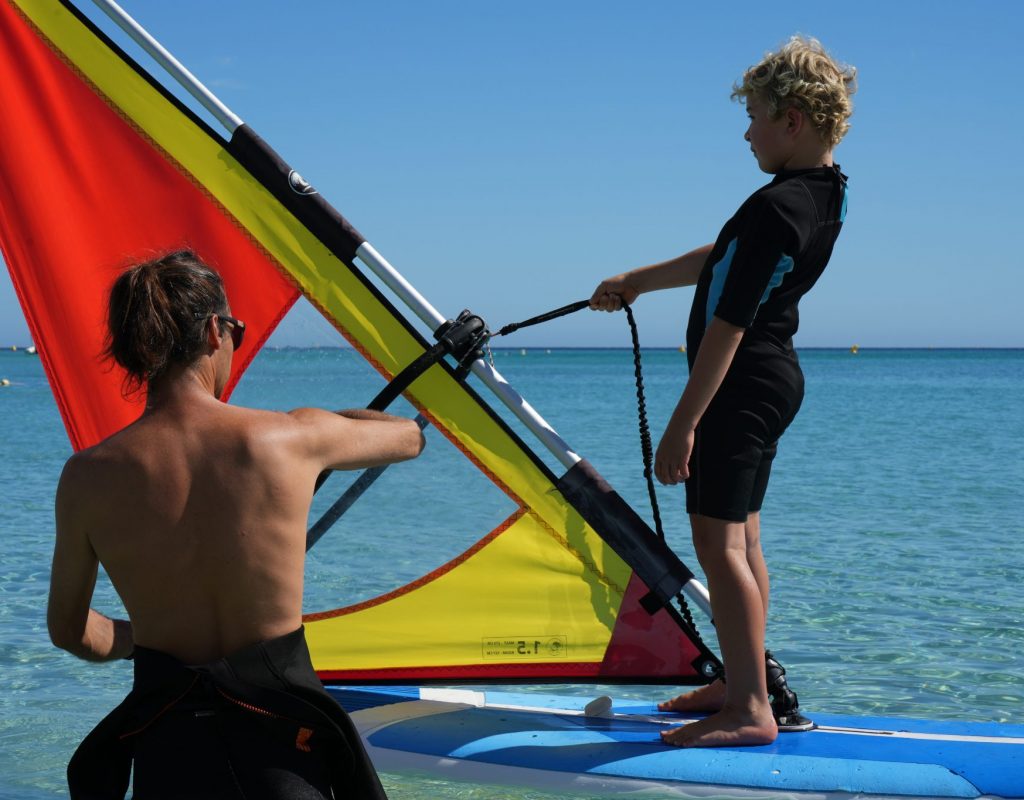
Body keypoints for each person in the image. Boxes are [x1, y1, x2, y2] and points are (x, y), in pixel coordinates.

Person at [47, 250, 425, 798]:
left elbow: (69, 630)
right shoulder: (292, 438)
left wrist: (146, 643)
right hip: (285, 742)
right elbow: (407, 437)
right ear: (213, 332)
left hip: (169, 744)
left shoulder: (86, 476)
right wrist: (324, 421)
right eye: (236, 332)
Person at [590, 36, 856, 748]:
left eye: (756, 119)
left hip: (739, 384)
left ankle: (748, 711)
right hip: (770, 379)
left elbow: (732, 318)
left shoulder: (779, 207)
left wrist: (684, 425)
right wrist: (639, 279)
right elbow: (728, 258)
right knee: (744, 540)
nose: (747, 133)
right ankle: (749, 679)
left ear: (793, 120)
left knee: (718, 547)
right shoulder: (820, 195)